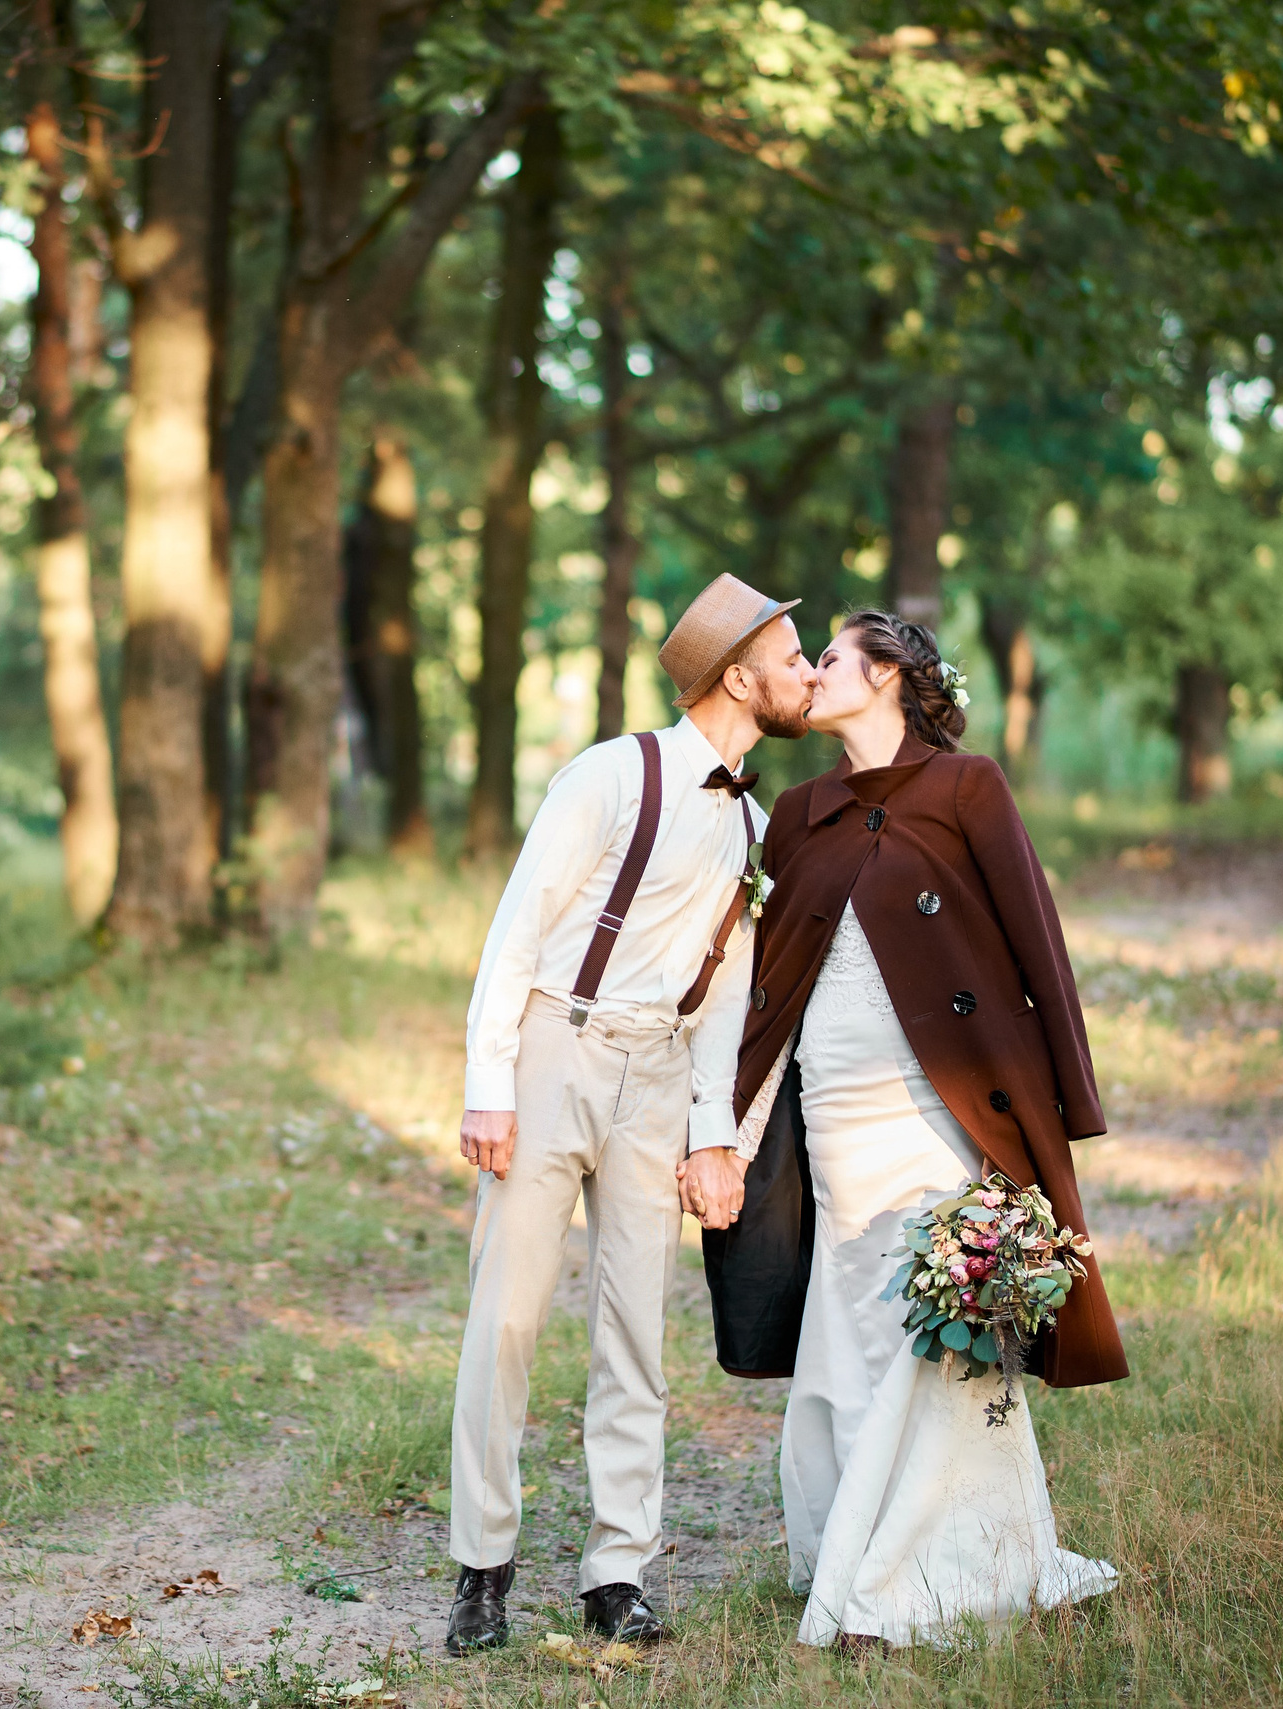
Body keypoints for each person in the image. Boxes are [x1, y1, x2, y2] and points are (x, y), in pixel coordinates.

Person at [696, 608, 1127, 1649]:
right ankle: (854, 1536)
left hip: (941, 1102)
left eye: (830, 657)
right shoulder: (799, 809)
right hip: (832, 1107)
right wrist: (723, 1121)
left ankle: (909, 1569)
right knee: (846, 1313)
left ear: (887, 675)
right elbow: (761, 977)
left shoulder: (966, 786)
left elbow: (1034, 940)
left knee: (927, 1319)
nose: (813, 674)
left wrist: (1049, 1113)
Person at [444, 575, 816, 1655]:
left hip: (659, 1076)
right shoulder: (610, 774)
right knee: (505, 1318)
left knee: (636, 1333)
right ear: (738, 676)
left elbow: (725, 996)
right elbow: (519, 927)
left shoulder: (752, 821)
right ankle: (483, 1565)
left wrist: (713, 1129)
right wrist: (489, 1078)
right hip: (559, 1047)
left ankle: (618, 1570)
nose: (805, 676)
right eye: (793, 659)